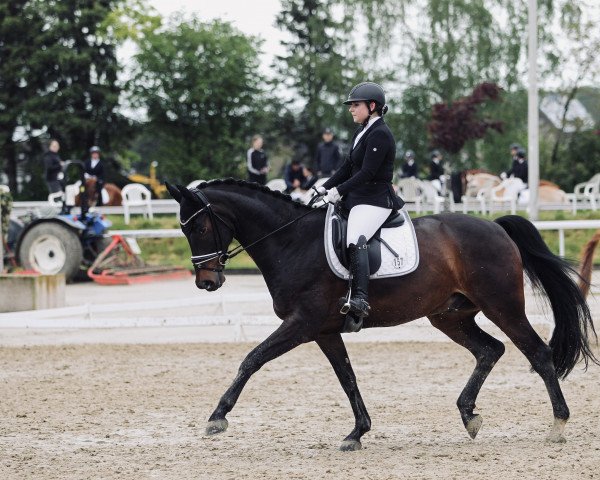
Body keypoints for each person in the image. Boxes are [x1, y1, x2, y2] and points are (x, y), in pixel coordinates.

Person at [313, 81, 404, 333]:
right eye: (351, 105)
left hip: (376, 200)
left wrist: (338, 191)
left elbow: (367, 172)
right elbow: (346, 167)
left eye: (355, 105)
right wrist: (324, 187)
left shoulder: (381, 134)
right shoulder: (362, 131)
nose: (351, 109)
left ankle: (361, 298)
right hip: (358, 198)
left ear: (372, 106)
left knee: (355, 238)